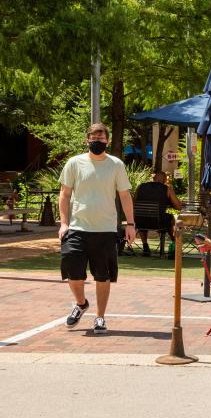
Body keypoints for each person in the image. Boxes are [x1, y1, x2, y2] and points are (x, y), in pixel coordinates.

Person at [59, 123, 135, 334]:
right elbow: (64, 194)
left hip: (106, 230)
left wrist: (130, 224)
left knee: (103, 276)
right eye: (94, 139)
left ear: (107, 141)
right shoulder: (74, 163)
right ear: (87, 140)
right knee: (73, 271)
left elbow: (125, 195)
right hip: (77, 228)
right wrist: (64, 223)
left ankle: (100, 317)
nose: (97, 142)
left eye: (101, 140)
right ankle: (81, 303)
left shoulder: (116, 165)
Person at [132, 170, 182, 257]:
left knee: (143, 216)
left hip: (139, 221)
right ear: (165, 180)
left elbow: (134, 203)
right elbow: (178, 207)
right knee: (170, 218)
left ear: (153, 178)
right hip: (158, 222)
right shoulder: (167, 189)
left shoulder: (141, 187)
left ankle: (145, 245)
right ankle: (175, 243)